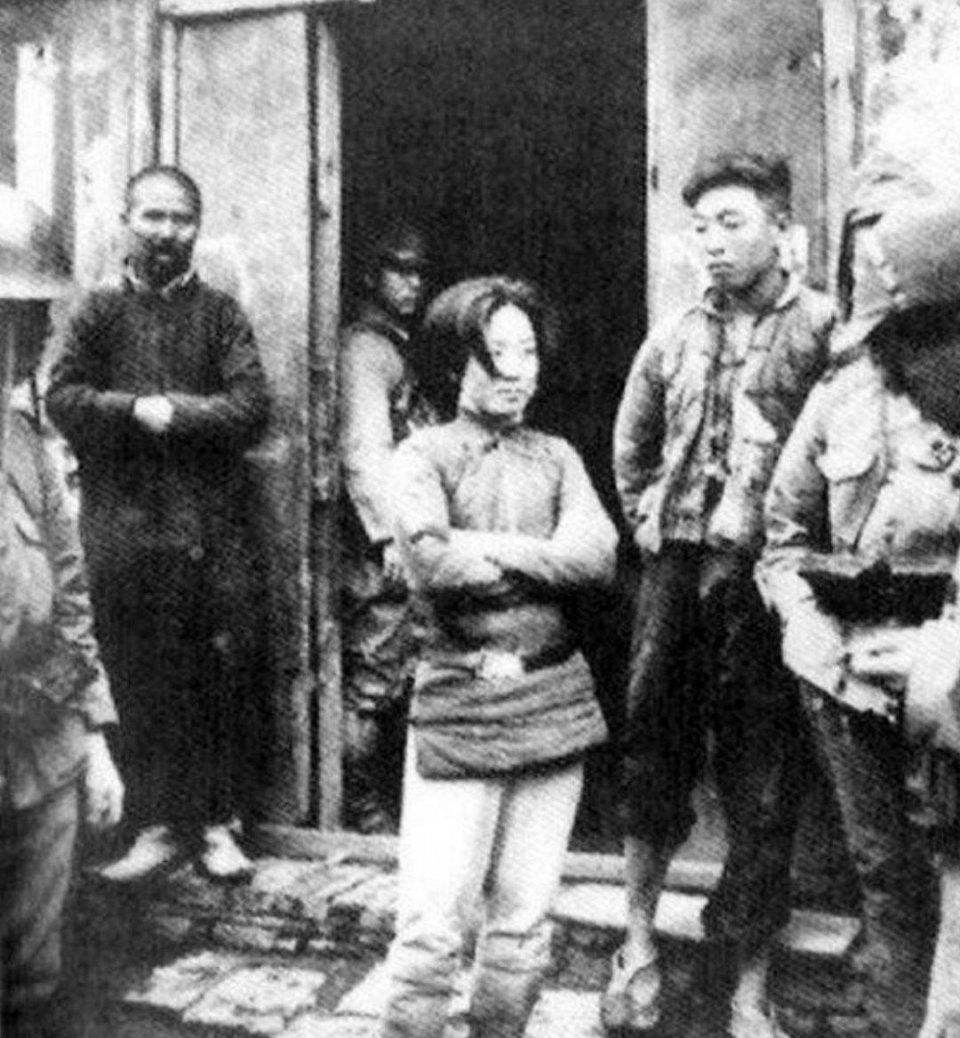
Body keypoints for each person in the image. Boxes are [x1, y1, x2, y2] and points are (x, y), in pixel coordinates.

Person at [610, 152, 834, 1037]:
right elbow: (632, 447)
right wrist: (651, 522)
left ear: (781, 228)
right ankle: (636, 947)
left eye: (732, 223)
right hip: (676, 573)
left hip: (766, 582)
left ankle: (747, 983)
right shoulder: (672, 335)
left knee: (763, 778)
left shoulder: (822, 330)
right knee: (651, 750)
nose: (712, 242)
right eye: (700, 226)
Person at [380, 275, 617, 1038]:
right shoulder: (422, 456)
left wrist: (488, 547)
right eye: (498, 354)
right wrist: (544, 558)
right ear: (457, 363)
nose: (519, 371)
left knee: (523, 926)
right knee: (431, 929)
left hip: (554, 701)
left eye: (529, 352)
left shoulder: (558, 457)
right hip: (461, 704)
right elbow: (433, 565)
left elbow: (597, 558)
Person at [759, 192, 960, 1038]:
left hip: (941, 683)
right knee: (887, 878)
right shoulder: (839, 392)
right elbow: (782, 535)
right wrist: (803, 622)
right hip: (846, 679)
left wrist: (937, 654)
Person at [46, 165, 269, 884]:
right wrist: (129, 410)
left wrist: (175, 413)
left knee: (214, 676)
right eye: (153, 217)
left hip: (206, 534)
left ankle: (217, 826)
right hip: (123, 534)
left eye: (181, 219)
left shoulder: (222, 316)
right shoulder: (96, 313)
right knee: (136, 674)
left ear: (197, 229)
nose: (167, 233)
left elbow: (249, 407)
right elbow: (63, 398)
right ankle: (154, 826)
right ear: (126, 221)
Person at [0, 186, 123, 1037]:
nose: (22, 338)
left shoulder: (25, 444)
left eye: (25, 319)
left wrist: (95, 740)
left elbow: (72, 599)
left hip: (42, 743)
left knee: (32, 983)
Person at [339, 220, 435, 833]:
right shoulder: (367, 350)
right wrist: (386, 535)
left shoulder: (396, 345)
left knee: (401, 667)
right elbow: (365, 450)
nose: (412, 283)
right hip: (378, 543)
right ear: (373, 275)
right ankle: (361, 809)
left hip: (403, 532)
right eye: (399, 269)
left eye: (419, 271)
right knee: (374, 677)